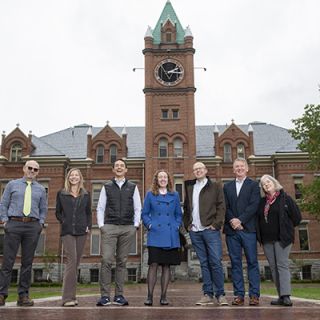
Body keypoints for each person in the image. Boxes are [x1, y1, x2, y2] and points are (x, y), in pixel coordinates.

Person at [0, 160, 47, 307]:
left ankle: (23, 295)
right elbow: (3, 203)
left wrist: (40, 224)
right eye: (30, 168)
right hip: (14, 223)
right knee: (8, 262)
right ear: (24, 169)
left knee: (27, 263)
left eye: (35, 169)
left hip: (32, 226)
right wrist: (5, 221)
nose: (32, 171)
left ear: (38, 172)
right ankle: (1, 294)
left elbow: (43, 209)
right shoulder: (12, 185)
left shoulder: (40, 189)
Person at [96, 159, 142, 306]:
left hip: (127, 228)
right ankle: (104, 296)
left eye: (122, 166)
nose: (119, 167)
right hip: (110, 227)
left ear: (126, 169)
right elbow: (100, 207)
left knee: (122, 262)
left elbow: (137, 208)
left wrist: (135, 225)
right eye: (117, 166)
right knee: (106, 260)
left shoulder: (133, 187)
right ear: (113, 169)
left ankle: (119, 296)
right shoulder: (107, 186)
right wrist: (101, 226)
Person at [183, 162, 228, 306]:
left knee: (215, 261)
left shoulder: (215, 186)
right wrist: (187, 225)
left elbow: (221, 206)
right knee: (204, 263)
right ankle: (207, 294)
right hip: (195, 231)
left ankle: (220, 295)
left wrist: (216, 225)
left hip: (210, 230)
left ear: (206, 170)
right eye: (195, 169)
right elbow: (186, 207)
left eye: (200, 169)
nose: (198, 171)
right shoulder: (190, 187)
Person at [257, 175, 301, 307]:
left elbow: (297, 218)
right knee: (274, 267)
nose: (266, 185)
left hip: (282, 239)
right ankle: (280, 296)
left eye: (268, 182)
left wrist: (286, 229)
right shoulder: (262, 202)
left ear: (274, 182)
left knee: (282, 265)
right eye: (263, 184)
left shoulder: (285, 198)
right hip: (267, 240)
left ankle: (286, 296)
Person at [223, 157, 261, 306]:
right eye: (236, 166)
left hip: (248, 229)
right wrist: (233, 220)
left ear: (247, 168)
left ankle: (254, 295)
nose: (239, 168)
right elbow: (225, 206)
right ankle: (239, 295)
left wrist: (241, 220)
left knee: (252, 262)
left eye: (241, 166)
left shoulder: (253, 185)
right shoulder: (227, 187)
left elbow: (254, 205)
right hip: (232, 231)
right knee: (235, 263)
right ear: (233, 170)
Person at [142, 170, 182, 306]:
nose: (163, 179)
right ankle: (149, 296)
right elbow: (145, 214)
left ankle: (164, 296)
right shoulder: (150, 194)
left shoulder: (175, 194)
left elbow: (178, 214)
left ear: (168, 179)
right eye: (160, 177)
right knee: (153, 265)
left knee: (166, 266)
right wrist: (150, 225)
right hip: (155, 233)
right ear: (156, 180)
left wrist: (176, 226)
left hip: (170, 233)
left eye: (165, 177)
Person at [55, 168, 92, 307]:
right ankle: (66, 298)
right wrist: (64, 221)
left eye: (76, 175)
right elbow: (58, 212)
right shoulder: (61, 193)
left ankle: (73, 297)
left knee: (75, 264)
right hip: (68, 231)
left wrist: (89, 225)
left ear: (80, 178)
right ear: (68, 177)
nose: (74, 177)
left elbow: (88, 213)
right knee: (71, 261)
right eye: (72, 175)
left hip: (82, 231)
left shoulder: (86, 194)